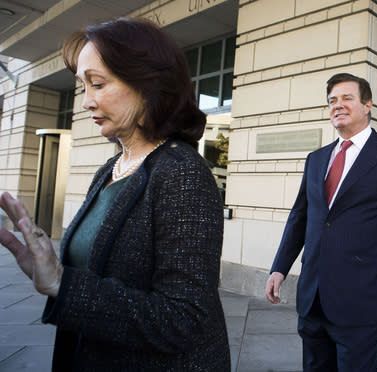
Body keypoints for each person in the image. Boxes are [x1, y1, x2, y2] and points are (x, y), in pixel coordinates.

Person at [0, 18, 230, 371]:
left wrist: (64, 285)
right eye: (82, 86)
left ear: (148, 84)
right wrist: (49, 268)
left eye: (98, 83)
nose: (86, 102)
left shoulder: (182, 173)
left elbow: (183, 320)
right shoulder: (110, 168)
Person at [265, 73, 377, 371]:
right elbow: (300, 217)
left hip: (362, 301)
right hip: (312, 299)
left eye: (347, 98)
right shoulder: (316, 159)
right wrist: (279, 267)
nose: (338, 105)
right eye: (332, 101)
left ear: (368, 105)